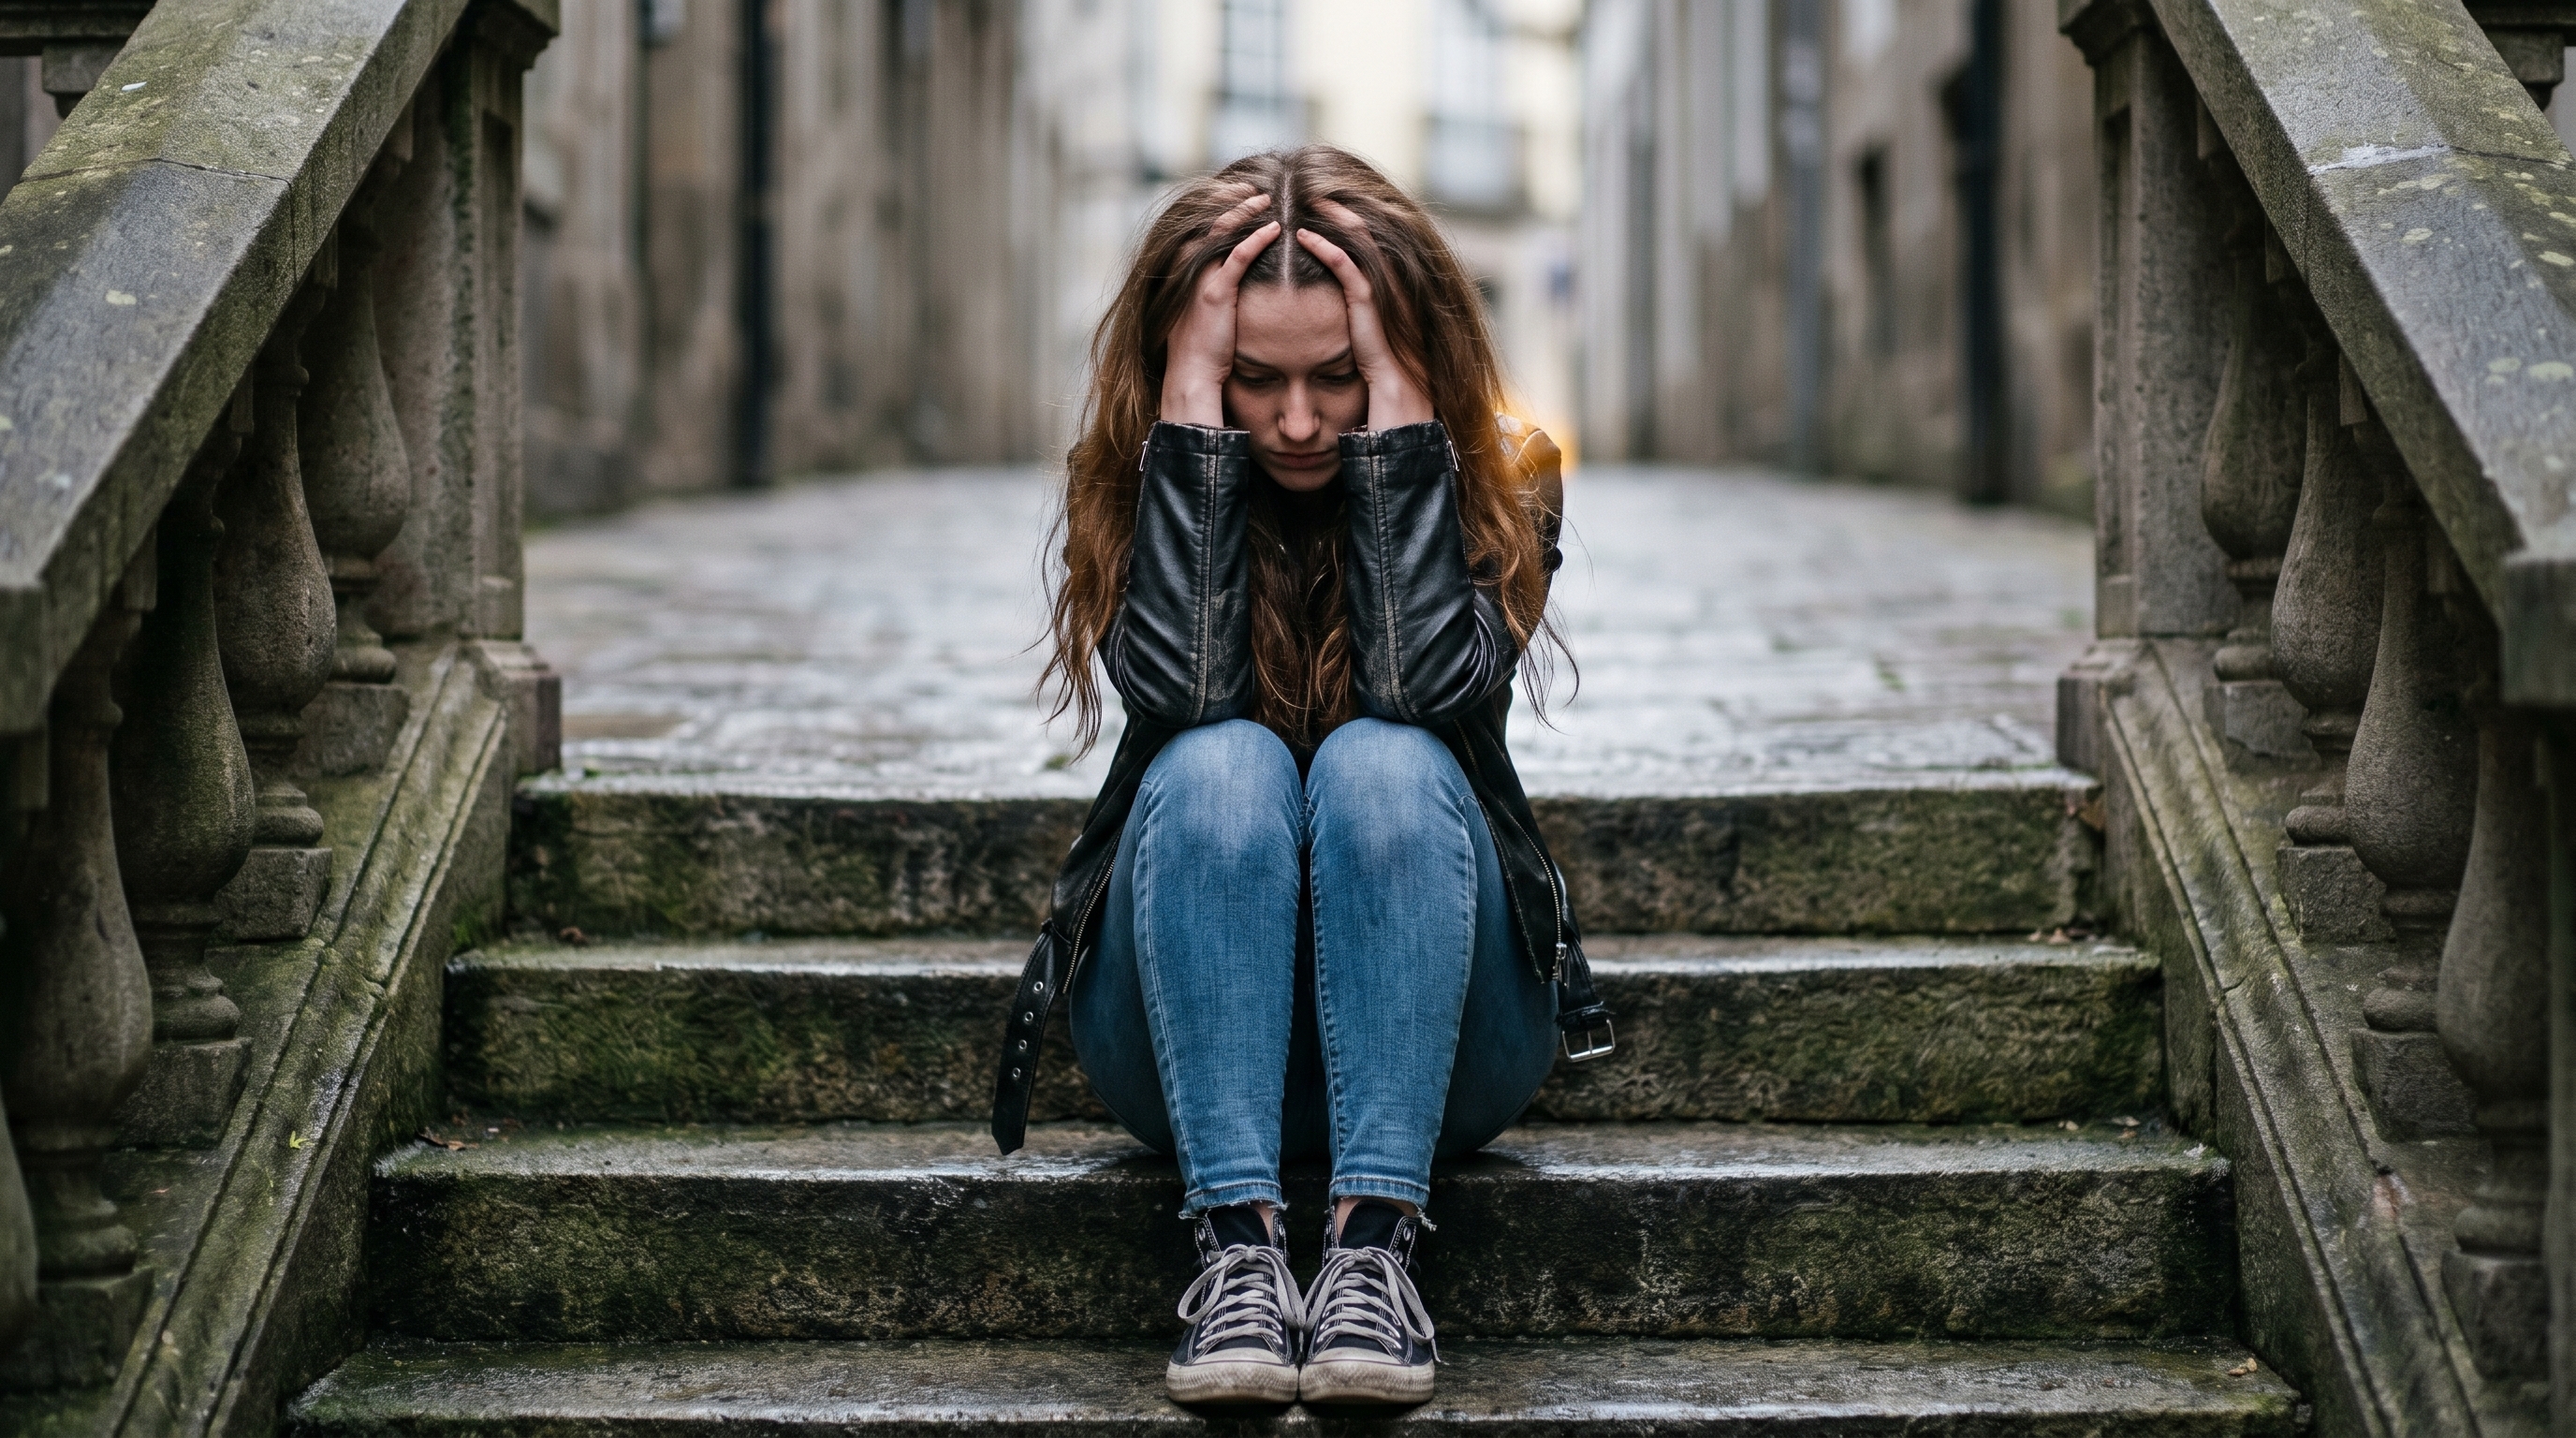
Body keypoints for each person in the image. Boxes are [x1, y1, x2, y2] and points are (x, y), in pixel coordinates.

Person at [989, 144, 1612, 1409]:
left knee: (1385, 762)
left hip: (1452, 1048)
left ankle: (1374, 1254)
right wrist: (1185, 420)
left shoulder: (1507, 477)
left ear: (1410, 353)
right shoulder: (1146, 468)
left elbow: (1422, 690)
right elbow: (1182, 695)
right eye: (1250, 380)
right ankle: (1235, 1253)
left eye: (1337, 376)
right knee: (1219, 763)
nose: (1291, 422)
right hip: (1179, 1046)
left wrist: (1401, 425)